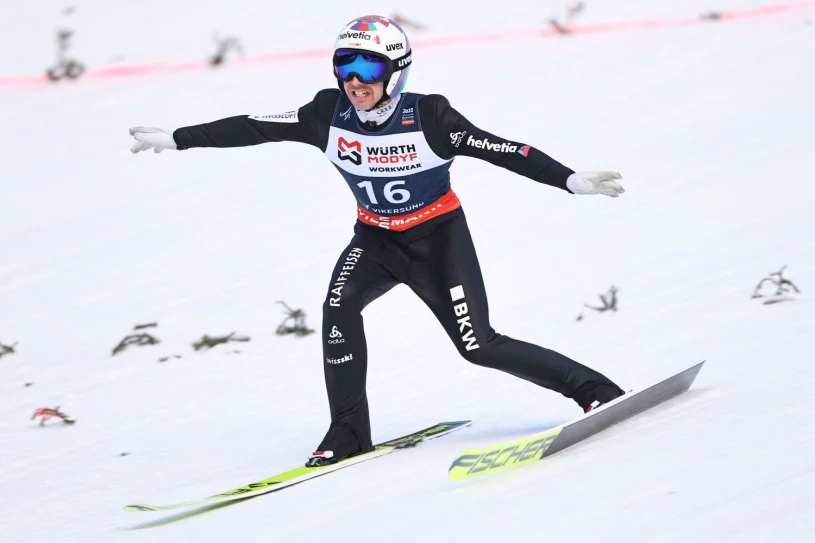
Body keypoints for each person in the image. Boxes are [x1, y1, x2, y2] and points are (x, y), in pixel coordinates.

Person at [129, 15, 626, 468]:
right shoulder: (327, 114)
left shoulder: (431, 117)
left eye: (369, 67)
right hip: (376, 241)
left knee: (477, 345)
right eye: (344, 65)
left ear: (397, 71)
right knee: (338, 306)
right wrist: (178, 138)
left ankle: (594, 389)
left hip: (438, 241)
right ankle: (348, 431)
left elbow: (503, 150)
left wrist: (570, 180)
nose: (355, 80)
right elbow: (255, 127)